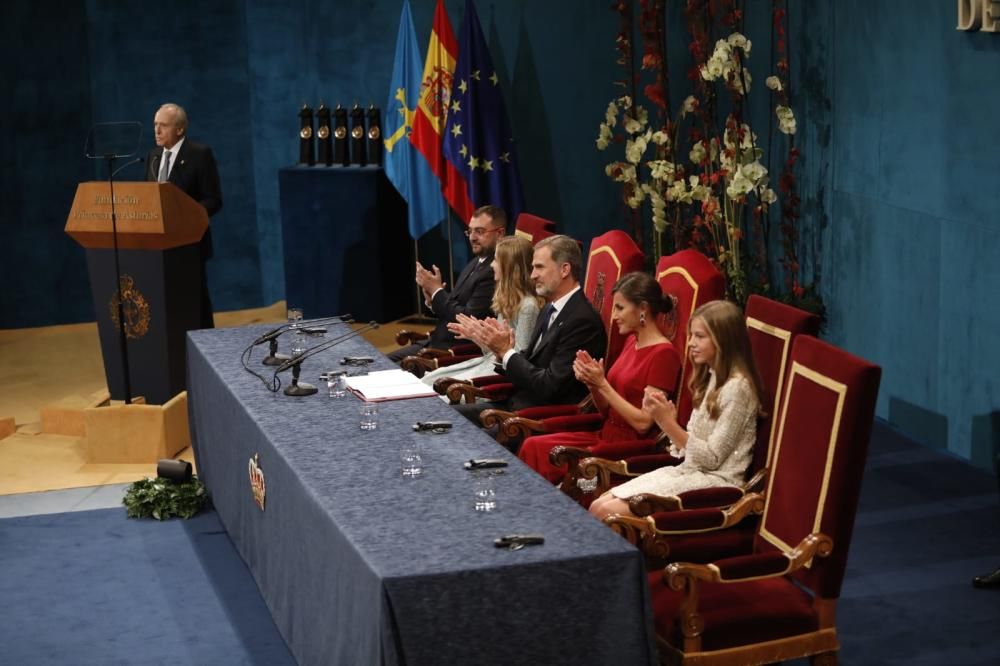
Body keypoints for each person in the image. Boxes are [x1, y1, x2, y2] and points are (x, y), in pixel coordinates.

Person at [589, 299, 763, 521]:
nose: (690, 343)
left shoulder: (738, 389)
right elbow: (686, 448)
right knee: (599, 503)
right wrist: (671, 424)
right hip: (689, 471)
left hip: (717, 484)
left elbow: (712, 459)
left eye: (700, 336)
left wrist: (667, 424)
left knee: (607, 512)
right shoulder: (710, 377)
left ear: (724, 340)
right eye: (691, 335)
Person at [517, 272, 681, 482]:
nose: (614, 315)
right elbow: (605, 410)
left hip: (628, 449)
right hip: (605, 433)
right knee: (533, 446)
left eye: (620, 308)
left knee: (540, 451)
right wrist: (592, 383)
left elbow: (643, 423)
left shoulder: (664, 354)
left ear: (643, 308)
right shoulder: (632, 341)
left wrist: (602, 385)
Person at [451, 234, 607, 423]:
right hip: (515, 405)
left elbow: (550, 386)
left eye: (539, 267)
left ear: (564, 269)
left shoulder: (582, 321)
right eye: (533, 267)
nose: (533, 275)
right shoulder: (550, 308)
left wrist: (506, 351)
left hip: (536, 419)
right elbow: (532, 362)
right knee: (446, 416)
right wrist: (500, 352)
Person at [421, 236, 542, 393]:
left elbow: (518, 360)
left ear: (510, 267)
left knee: (437, 391)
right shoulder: (506, 299)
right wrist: (476, 337)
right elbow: (493, 351)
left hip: (499, 377)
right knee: (428, 380)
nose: (491, 265)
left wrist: (481, 337)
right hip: (487, 364)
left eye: (496, 260)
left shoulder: (528, 307)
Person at [389, 205, 506, 363]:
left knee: (387, 369)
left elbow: (467, 319)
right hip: (435, 341)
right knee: (380, 363)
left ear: (500, 233)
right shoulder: (476, 262)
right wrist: (433, 299)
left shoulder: (495, 270)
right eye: (470, 231)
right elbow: (455, 304)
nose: (472, 237)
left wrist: (437, 291)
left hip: (452, 351)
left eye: (479, 231)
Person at [145, 103, 222, 329]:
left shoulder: (199, 154)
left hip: (190, 244)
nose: (157, 131)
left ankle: (205, 351)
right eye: (155, 125)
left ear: (179, 129)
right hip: (159, 245)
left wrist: (185, 216)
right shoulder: (153, 156)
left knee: (195, 304)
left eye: (163, 126)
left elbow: (214, 200)